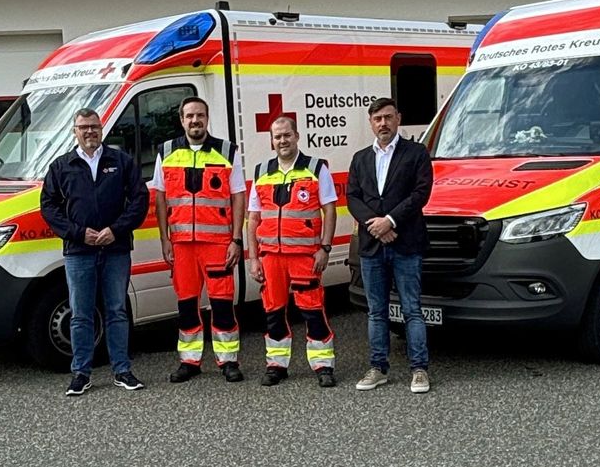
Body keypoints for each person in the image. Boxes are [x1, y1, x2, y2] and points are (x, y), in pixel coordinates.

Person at [40, 108, 149, 397]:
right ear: (74, 131)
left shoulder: (121, 161)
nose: (90, 131)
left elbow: (139, 200)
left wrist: (116, 229)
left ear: (102, 130)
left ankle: (122, 370)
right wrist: (78, 232)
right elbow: (48, 207)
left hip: (116, 248)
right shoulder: (62, 166)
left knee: (116, 311)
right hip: (79, 250)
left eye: (94, 126)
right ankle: (81, 373)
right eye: (83, 127)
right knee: (81, 314)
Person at [151, 96, 246, 383]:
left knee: (222, 304)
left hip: (218, 244)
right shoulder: (166, 152)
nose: (195, 120)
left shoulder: (227, 151)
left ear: (207, 118)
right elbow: (160, 198)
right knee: (186, 305)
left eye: (200, 115)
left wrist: (237, 239)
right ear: (181, 120)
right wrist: (164, 239)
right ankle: (189, 361)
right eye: (189, 116)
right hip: (181, 244)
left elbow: (238, 195)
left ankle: (228, 360)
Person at [346, 97, 434, 393]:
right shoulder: (360, 158)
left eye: (387, 117)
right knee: (376, 311)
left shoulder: (417, 153)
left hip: (406, 243)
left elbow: (421, 194)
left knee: (412, 309)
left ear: (398, 118)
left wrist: (391, 221)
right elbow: (353, 198)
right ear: (371, 123)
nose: (382, 123)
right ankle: (377, 368)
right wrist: (377, 225)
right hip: (373, 246)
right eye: (376, 119)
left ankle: (419, 369)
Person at [246, 115, 339, 388]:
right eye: (277, 136)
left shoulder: (315, 168)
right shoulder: (261, 170)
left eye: (287, 135)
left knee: (313, 311)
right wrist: (253, 258)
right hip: (271, 256)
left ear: (297, 136)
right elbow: (253, 218)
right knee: (273, 311)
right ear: (271, 140)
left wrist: (325, 247)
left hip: (305, 256)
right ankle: (276, 365)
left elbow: (330, 209)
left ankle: (323, 365)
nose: (282, 140)